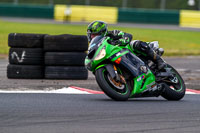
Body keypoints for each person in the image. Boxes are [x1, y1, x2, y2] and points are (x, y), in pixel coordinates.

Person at [87, 20, 166, 70]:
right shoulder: (95, 46)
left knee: (135, 43)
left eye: (94, 34)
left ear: (102, 32)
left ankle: (159, 61)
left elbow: (128, 35)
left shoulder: (112, 34)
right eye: (91, 35)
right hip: (115, 58)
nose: (91, 37)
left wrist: (121, 41)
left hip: (127, 51)